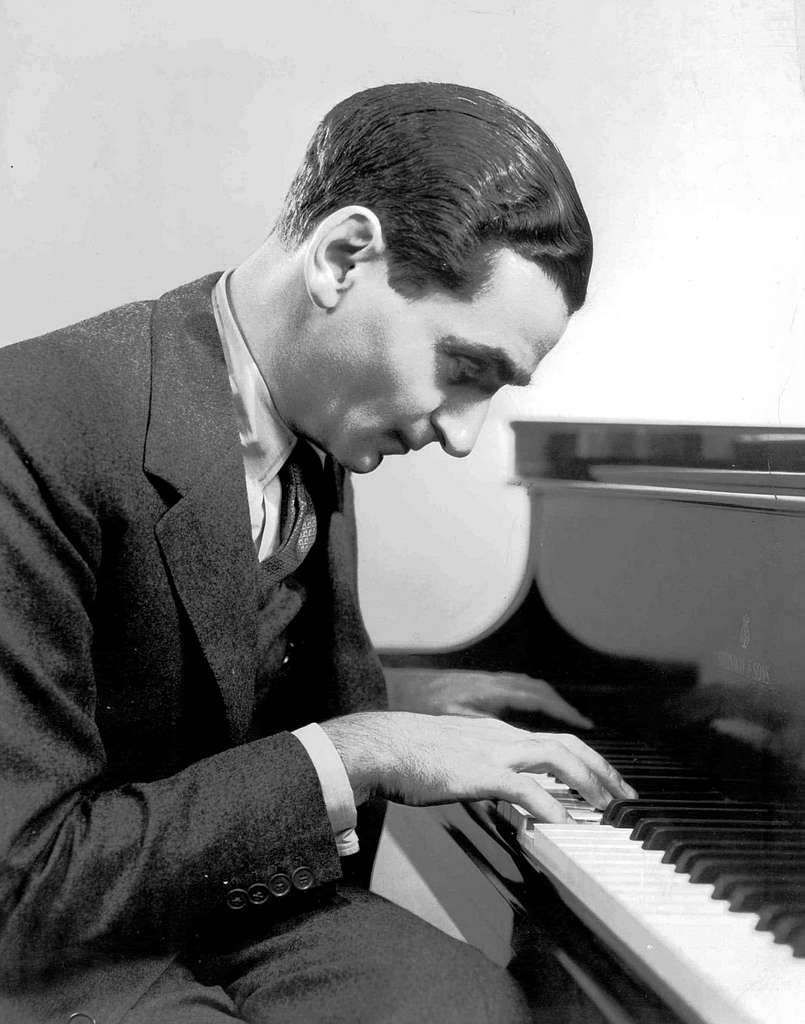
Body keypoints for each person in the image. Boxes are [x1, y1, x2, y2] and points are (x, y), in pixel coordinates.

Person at [0, 82, 635, 1024]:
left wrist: (412, 701)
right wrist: (362, 746)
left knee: (469, 1008)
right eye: (465, 371)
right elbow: (26, 882)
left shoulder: (320, 411)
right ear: (344, 257)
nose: (464, 436)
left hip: (212, 894)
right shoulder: (32, 426)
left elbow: (204, 666)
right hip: (55, 932)